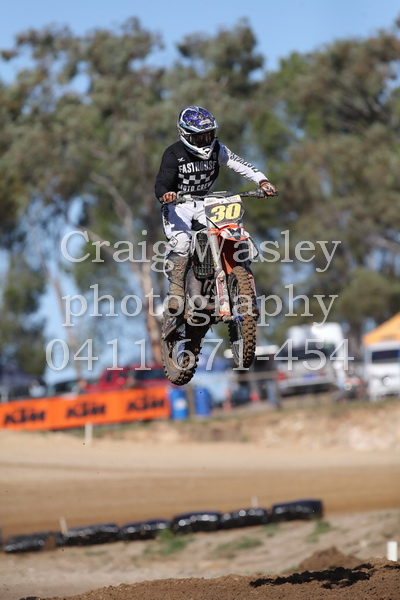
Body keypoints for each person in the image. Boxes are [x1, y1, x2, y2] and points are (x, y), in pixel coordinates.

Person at [155, 105, 277, 312]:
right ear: (186, 135)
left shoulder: (218, 149)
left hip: (205, 202)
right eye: (199, 137)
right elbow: (162, 182)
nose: (205, 141)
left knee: (228, 230)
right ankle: (176, 292)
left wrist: (263, 181)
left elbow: (242, 165)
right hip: (178, 206)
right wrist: (166, 194)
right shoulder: (173, 153)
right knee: (182, 243)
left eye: (209, 135)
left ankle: (242, 289)